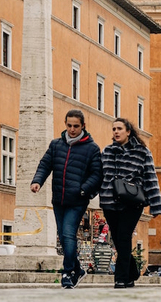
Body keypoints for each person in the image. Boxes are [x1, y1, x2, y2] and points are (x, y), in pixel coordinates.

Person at [31, 109, 103, 289]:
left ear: (83, 126)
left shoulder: (92, 149)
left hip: (77, 200)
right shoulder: (56, 145)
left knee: (68, 234)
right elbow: (45, 164)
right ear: (65, 124)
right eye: (69, 125)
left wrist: (83, 190)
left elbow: (97, 174)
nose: (72, 129)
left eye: (76, 126)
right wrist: (37, 181)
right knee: (63, 238)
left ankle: (68, 272)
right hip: (59, 200)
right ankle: (78, 270)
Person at [99, 118, 161, 289]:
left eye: (119, 128)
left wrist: (156, 205)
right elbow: (98, 176)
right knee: (119, 242)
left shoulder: (142, 152)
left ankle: (120, 278)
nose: (116, 132)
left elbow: (151, 178)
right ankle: (132, 272)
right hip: (109, 201)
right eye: (113, 129)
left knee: (124, 237)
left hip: (132, 203)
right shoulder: (107, 151)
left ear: (128, 131)